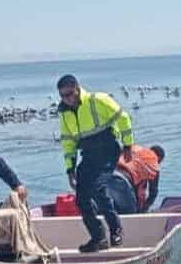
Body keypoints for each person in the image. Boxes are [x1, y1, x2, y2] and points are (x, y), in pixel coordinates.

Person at [56, 74, 134, 251]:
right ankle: (98, 238)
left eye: (69, 94)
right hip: (89, 155)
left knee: (98, 187)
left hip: (108, 151)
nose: (67, 99)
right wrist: (70, 170)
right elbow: (68, 143)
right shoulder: (64, 114)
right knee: (81, 198)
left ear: (77, 89)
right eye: (62, 96)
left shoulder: (98, 100)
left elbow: (123, 118)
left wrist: (128, 145)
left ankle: (116, 229)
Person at [108, 144, 164, 214]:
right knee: (130, 215)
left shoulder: (134, 148)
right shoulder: (154, 163)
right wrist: (142, 211)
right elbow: (153, 193)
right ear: (159, 158)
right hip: (122, 181)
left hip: (105, 176)